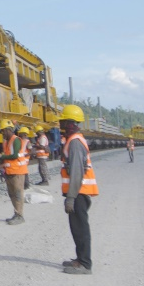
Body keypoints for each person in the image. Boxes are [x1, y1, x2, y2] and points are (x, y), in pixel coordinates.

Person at [58, 104, 98, 275]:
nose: (61, 125)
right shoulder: (73, 140)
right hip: (78, 192)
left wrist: (71, 197)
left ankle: (85, 264)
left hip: (79, 193)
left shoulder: (74, 143)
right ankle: (80, 259)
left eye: (64, 121)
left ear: (70, 123)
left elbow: (76, 172)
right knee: (76, 227)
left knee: (80, 228)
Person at [0, 120, 28, 225]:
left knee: (18, 193)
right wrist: (0, 161)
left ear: (8, 130)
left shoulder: (16, 140)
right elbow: (7, 156)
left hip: (18, 171)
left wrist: (2, 156)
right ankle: (16, 213)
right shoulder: (6, 142)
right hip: (9, 171)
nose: (2, 134)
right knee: (12, 194)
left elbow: (14, 156)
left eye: (3, 131)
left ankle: (20, 215)